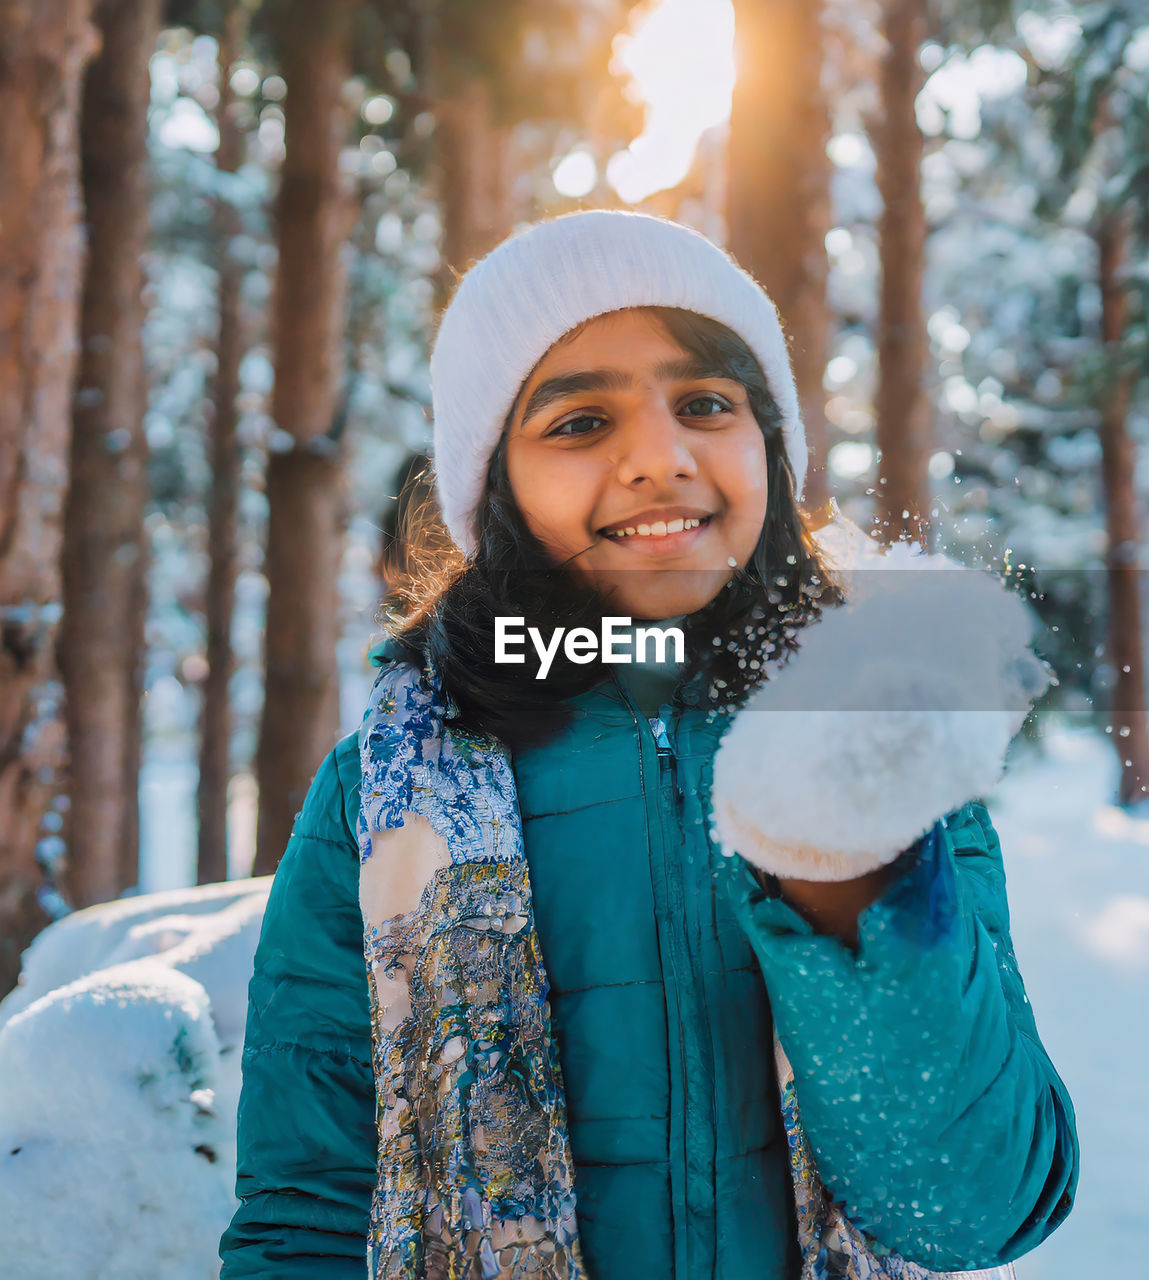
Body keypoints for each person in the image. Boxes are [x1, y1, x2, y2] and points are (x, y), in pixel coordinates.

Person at [219, 210, 1078, 1280]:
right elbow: (308, 1207)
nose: (658, 459)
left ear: (768, 444)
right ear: (496, 486)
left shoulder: (881, 753)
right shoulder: (377, 797)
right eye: (579, 422)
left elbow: (971, 1207)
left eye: (706, 404)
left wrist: (853, 885)